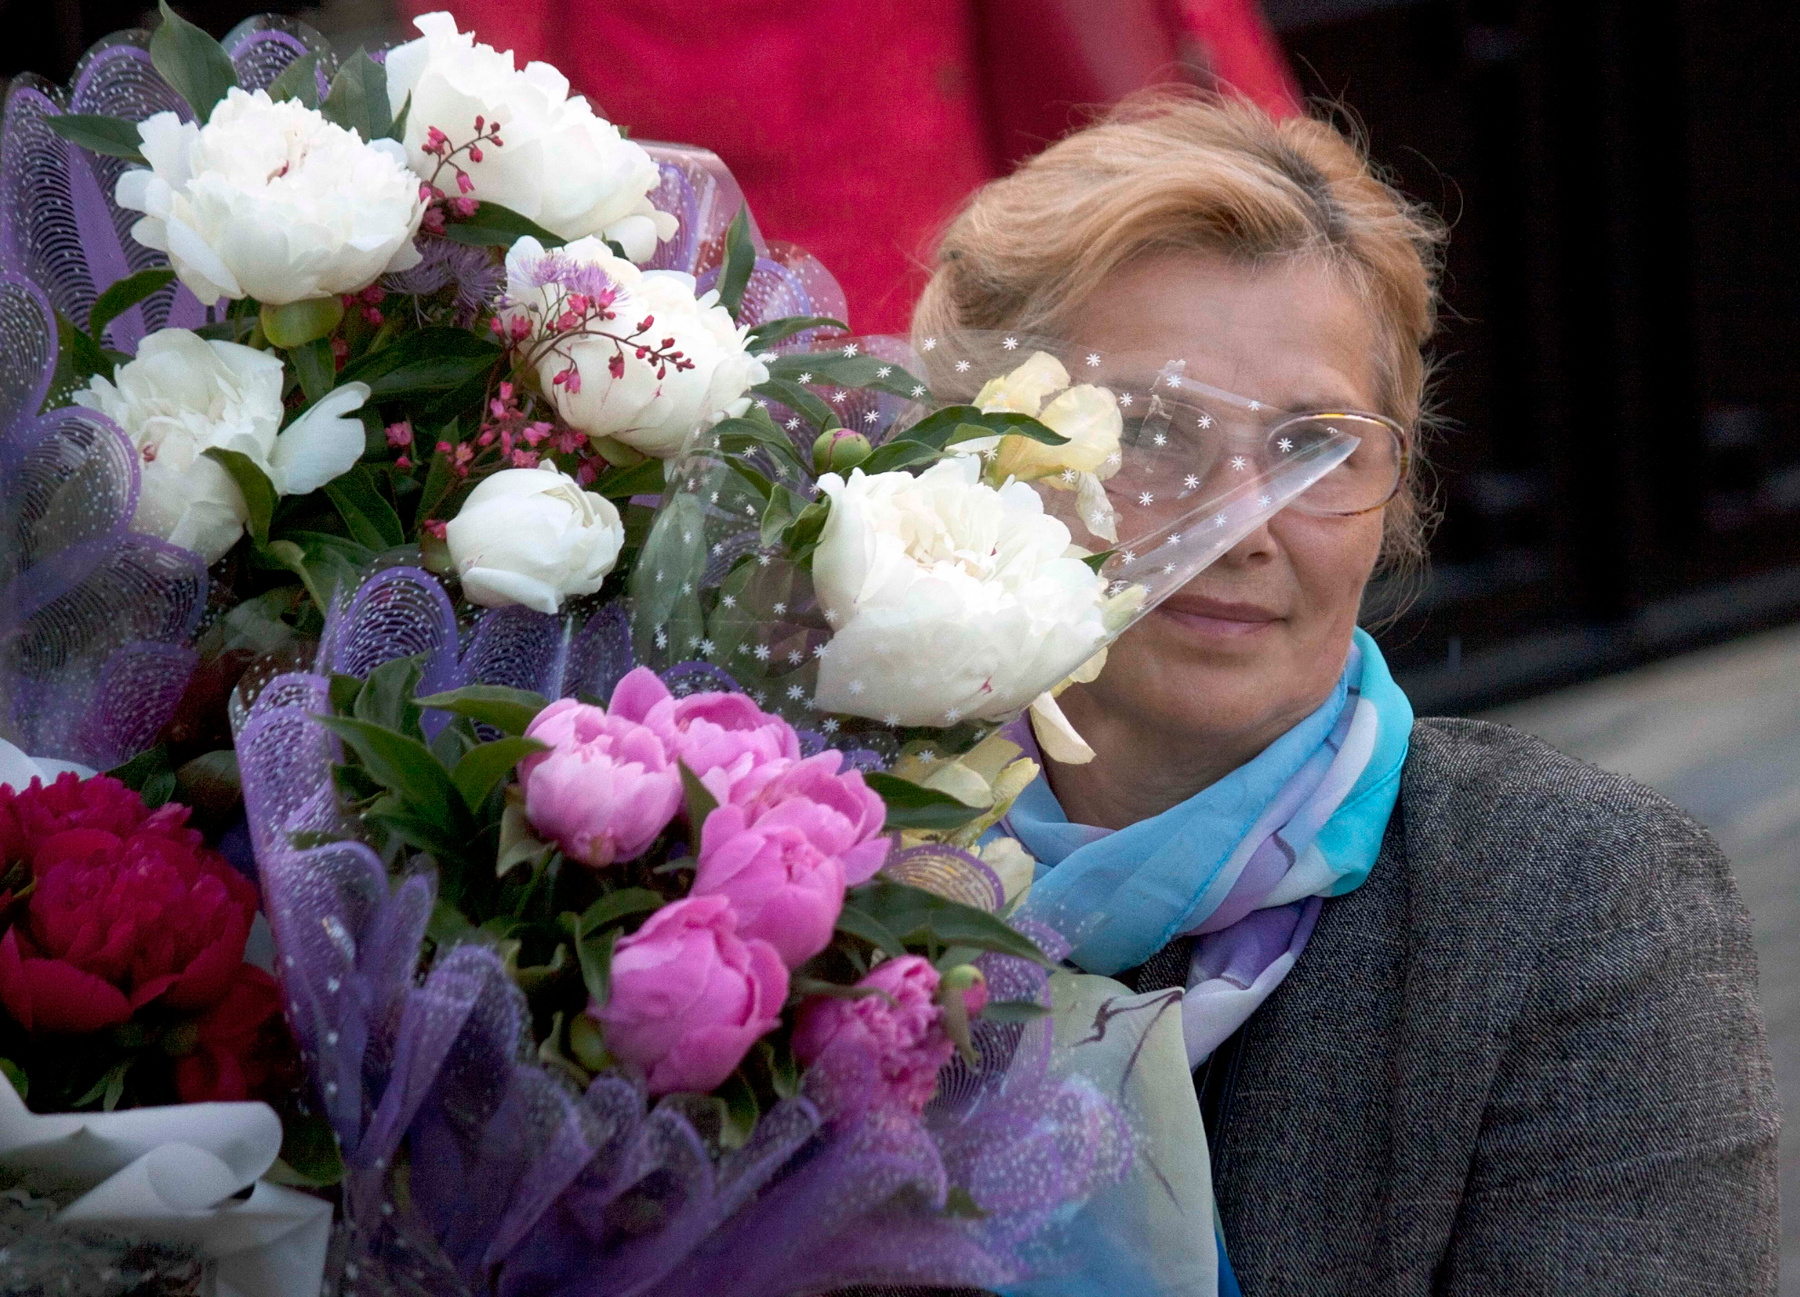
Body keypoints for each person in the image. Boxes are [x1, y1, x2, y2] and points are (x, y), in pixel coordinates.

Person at [905, 93, 1780, 1294]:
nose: (1243, 527)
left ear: (1395, 495)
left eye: (1313, 446)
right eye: (1150, 430)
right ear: (983, 459)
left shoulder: (1570, 895)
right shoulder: (805, 852)